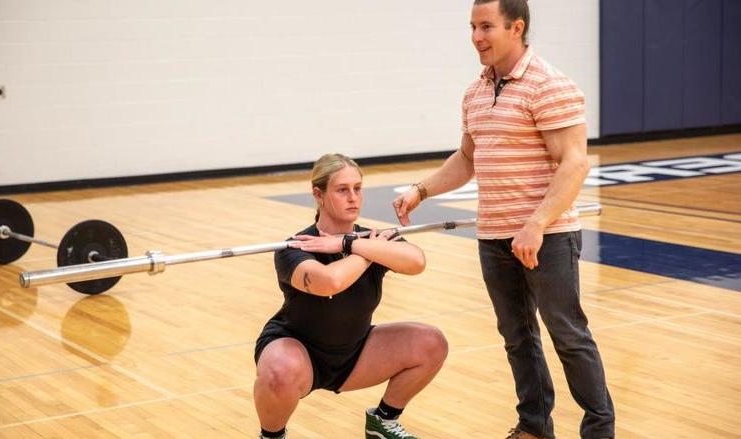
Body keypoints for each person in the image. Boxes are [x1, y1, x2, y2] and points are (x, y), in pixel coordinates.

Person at [392, 1, 615, 438]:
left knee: (567, 335)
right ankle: (533, 426)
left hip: (547, 237)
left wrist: (535, 225)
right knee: (518, 337)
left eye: (486, 26)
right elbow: (467, 158)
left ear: (517, 27)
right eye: (473, 26)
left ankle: (599, 430)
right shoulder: (476, 91)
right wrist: (421, 190)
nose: (476, 36)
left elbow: (574, 165)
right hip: (494, 237)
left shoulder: (550, 85)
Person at [254, 153, 448, 439]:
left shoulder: (368, 240)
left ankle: (383, 421)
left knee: (431, 343)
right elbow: (330, 282)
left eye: (358, 188)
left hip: (355, 353)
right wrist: (368, 251)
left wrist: (348, 243)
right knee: (278, 372)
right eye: (342, 190)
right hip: (299, 353)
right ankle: (271, 436)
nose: (353, 198)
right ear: (318, 194)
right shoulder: (295, 247)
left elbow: (416, 261)